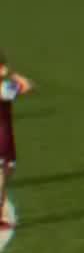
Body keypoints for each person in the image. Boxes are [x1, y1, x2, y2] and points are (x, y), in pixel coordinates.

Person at [0, 52, 32, 233]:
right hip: (2, 137)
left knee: (7, 171)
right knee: (4, 173)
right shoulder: (4, 87)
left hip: (4, 135)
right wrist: (13, 74)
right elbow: (28, 86)